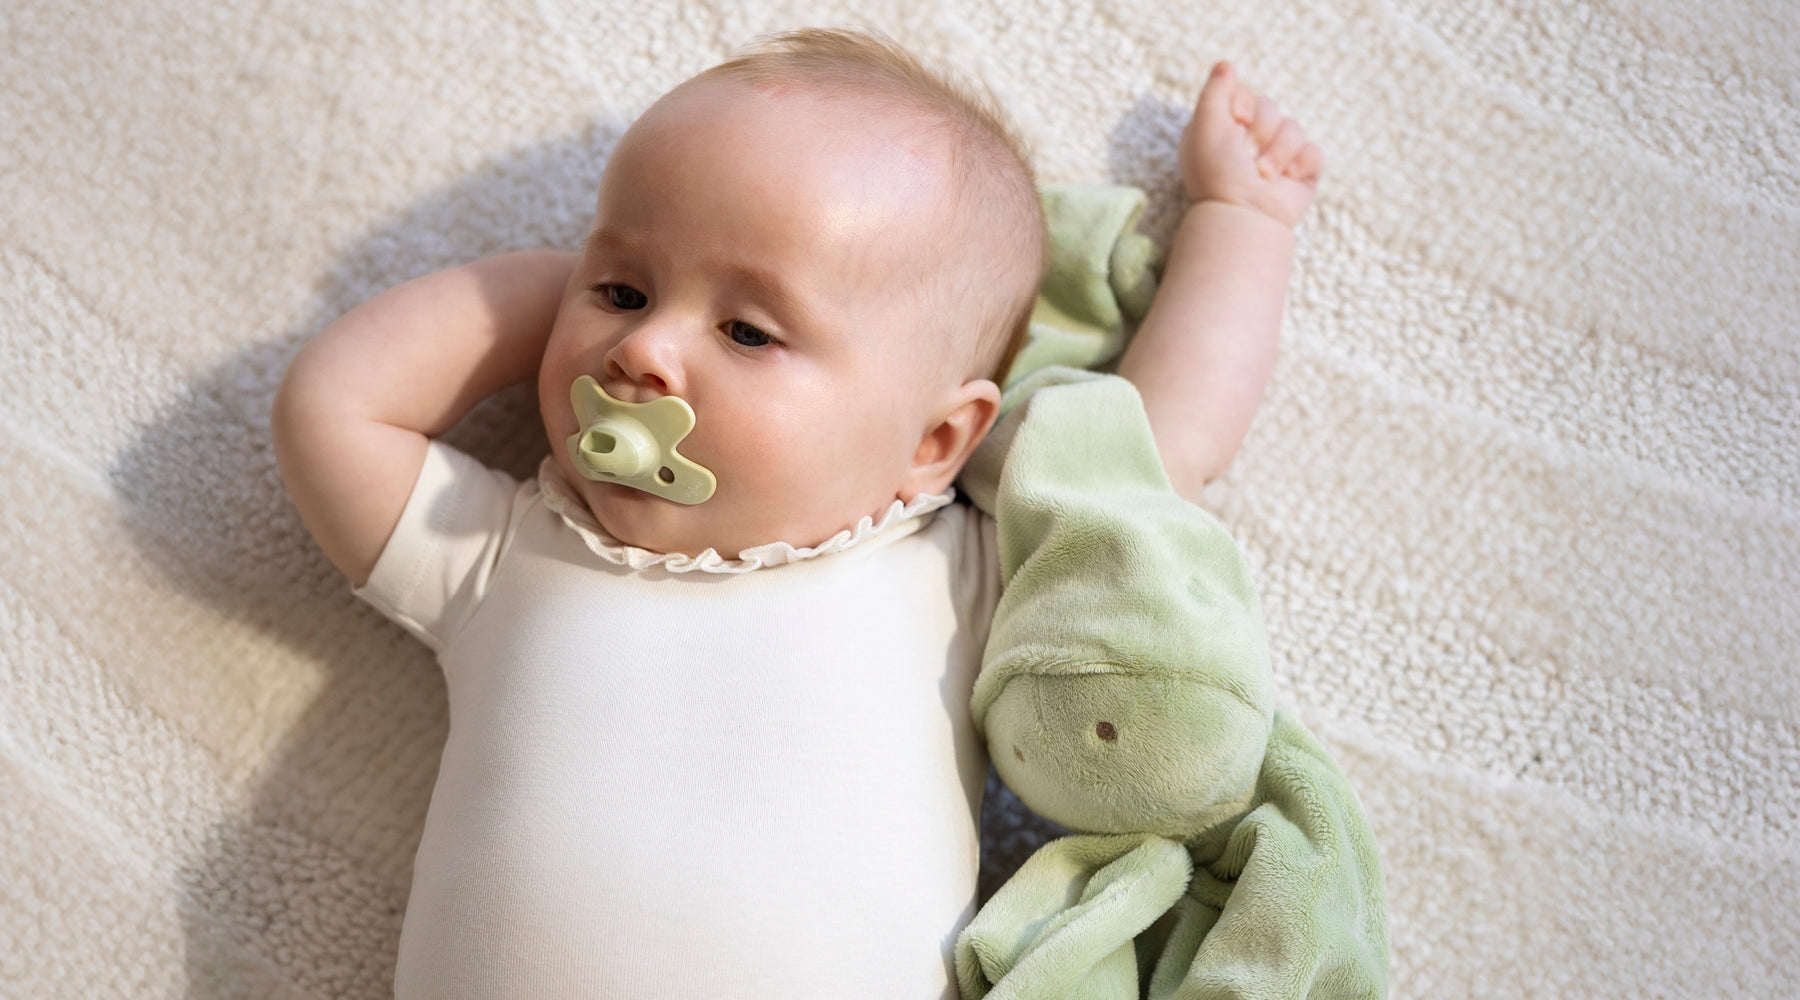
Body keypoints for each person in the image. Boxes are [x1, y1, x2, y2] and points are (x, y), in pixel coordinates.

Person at [271, 27, 1318, 1000]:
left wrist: (1242, 222)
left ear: (934, 441)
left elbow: (1157, 446)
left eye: (748, 330)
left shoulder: (953, 563)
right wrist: (550, 292)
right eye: (625, 292)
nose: (645, 353)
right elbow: (336, 411)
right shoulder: (502, 551)